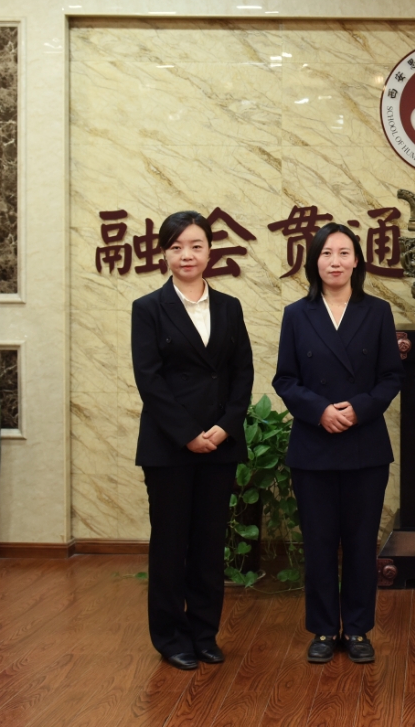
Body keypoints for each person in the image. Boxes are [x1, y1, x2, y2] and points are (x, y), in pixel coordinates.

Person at [272, 223, 404, 664]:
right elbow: (285, 379)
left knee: (362, 543)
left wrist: (359, 408)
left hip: (365, 444)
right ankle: (325, 629)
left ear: (357, 261)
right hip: (314, 445)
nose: (335, 261)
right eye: (326, 253)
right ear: (314, 261)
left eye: (344, 253)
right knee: (319, 543)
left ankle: (360, 629)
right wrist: (320, 411)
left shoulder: (377, 311)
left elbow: (391, 376)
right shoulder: (297, 314)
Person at [130, 211, 254, 671]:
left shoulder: (229, 307)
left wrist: (225, 426)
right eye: (177, 246)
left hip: (220, 444)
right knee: (170, 545)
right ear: (164, 253)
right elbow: (149, 380)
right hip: (169, 447)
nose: (187, 255)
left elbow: (242, 372)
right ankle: (170, 638)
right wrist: (187, 435)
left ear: (209, 251)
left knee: (208, 544)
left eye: (196, 245)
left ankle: (204, 633)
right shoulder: (148, 308)